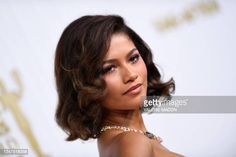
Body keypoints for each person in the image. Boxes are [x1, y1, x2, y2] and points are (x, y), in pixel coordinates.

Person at [54, 15, 184, 157]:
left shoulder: (122, 140)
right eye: (109, 68)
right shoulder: (132, 142)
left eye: (133, 58)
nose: (131, 75)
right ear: (84, 83)